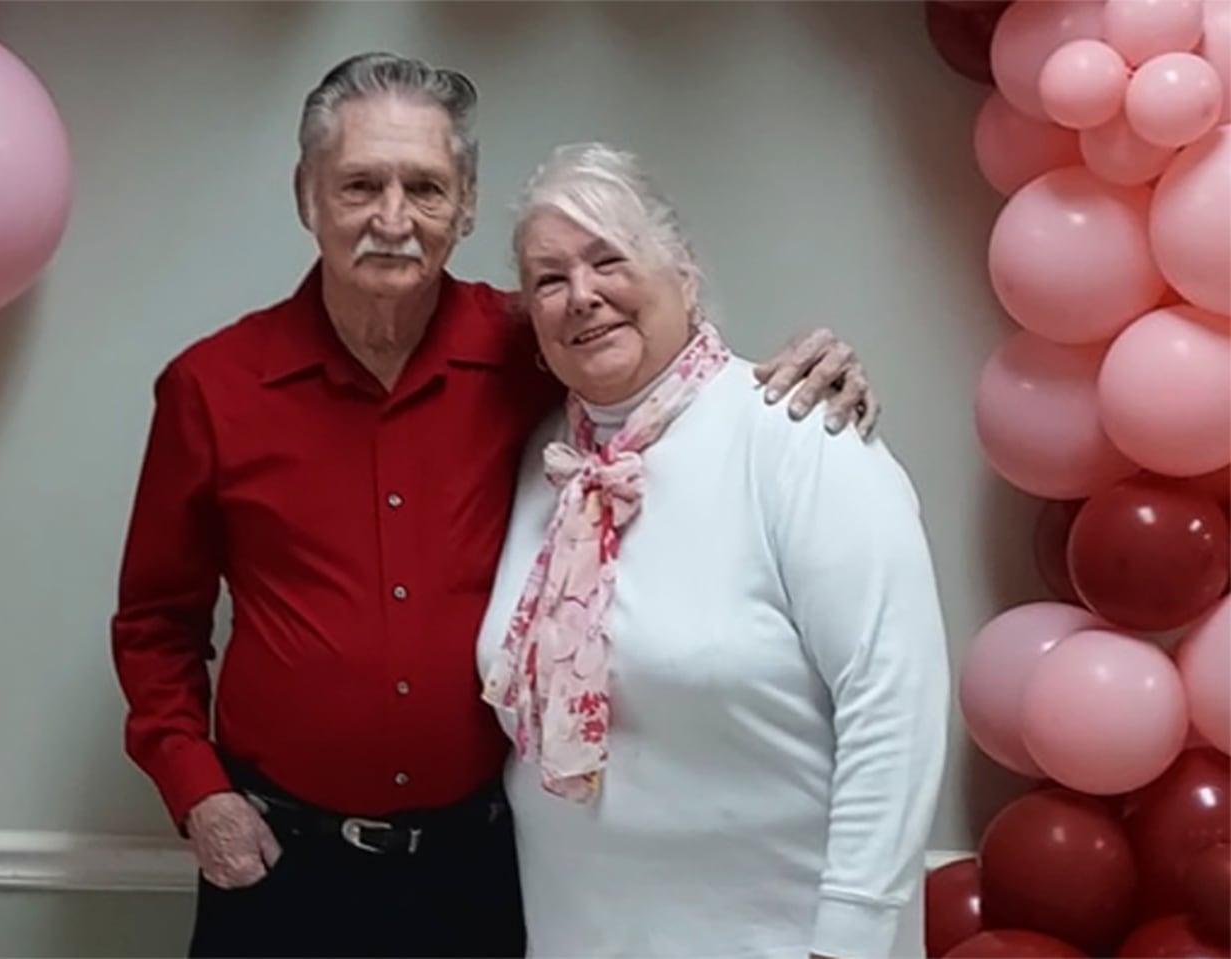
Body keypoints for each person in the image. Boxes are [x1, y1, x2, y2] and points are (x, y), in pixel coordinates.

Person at [110, 53, 879, 959]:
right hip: (283, 866)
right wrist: (195, 788)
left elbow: (664, 374)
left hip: (479, 871)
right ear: (306, 195)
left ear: (466, 205)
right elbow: (156, 624)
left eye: (425, 188)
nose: (393, 220)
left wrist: (794, 378)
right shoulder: (213, 387)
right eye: (360, 185)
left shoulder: (534, 346)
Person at [476, 142, 950, 959]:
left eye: (608, 260)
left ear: (684, 273)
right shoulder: (541, 463)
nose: (581, 295)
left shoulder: (798, 436)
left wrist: (852, 935)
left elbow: (894, 700)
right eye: (548, 280)